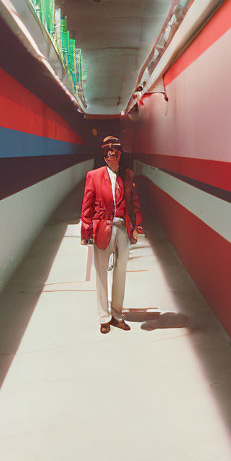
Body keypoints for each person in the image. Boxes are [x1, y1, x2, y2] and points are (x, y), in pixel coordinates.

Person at [81, 136, 143, 333]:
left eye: (115, 153)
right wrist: (86, 230)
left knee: (121, 272)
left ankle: (117, 314)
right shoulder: (94, 175)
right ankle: (103, 317)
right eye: (108, 154)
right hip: (102, 229)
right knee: (100, 273)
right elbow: (87, 205)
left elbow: (134, 204)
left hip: (122, 228)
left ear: (119, 155)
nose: (112, 157)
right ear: (104, 156)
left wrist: (137, 226)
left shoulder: (128, 176)